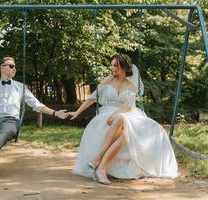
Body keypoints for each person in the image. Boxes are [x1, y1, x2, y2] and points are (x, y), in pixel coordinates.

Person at [68, 54, 178, 185]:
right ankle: (101, 167)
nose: (112, 68)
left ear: (124, 67)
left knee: (123, 123)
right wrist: (77, 111)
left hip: (127, 112)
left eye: (116, 65)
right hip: (106, 112)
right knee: (124, 134)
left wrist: (116, 114)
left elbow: (128, 106)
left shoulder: (132, 85)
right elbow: (92, 98)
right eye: (112, 64)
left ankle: (98, 162)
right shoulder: (107, 80)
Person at [0, 56, 68, 186]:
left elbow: (37, 105)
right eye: (11, 66)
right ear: (2, 68)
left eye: (14, 66)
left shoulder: (20, 87)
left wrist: (55, 113)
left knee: (1, 136)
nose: (14, 69)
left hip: (10, 122)